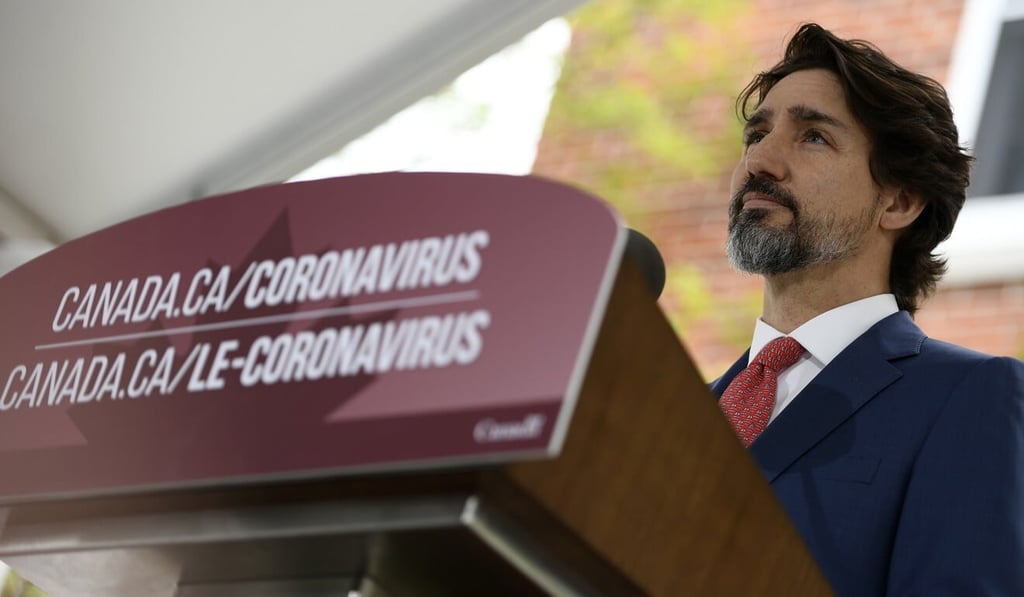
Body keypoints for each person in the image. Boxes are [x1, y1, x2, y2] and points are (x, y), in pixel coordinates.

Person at [709, 23, 1024, 596]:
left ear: (899, 201)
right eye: (757, 133)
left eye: (812, 137)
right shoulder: (685, 412)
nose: (760, 160)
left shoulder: (972, 395)